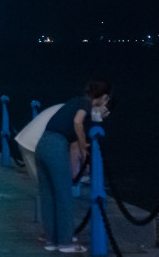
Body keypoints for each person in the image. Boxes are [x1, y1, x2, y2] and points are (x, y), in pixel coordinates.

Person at [34, 79, 112, 253]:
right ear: (104, 96)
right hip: (56, 146)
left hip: (43, 144)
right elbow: (78, 122)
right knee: (63, 195)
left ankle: (51, 240)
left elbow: (83, 121)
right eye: (106, 99)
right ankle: (66, 243)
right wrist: (84, 148)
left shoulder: (75, 101)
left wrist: (98, 115)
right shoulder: (84, 103)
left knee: (48, 196)